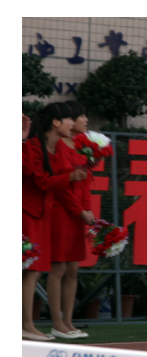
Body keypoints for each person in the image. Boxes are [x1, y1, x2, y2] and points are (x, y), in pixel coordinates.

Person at [23, 103, 88, 341]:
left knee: (35, 270)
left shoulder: (58, 147)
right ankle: (27, 325)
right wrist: (69, 178)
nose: (74, 122)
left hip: (42, 212)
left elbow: (61, 183)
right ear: (56, 122)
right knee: (31, 270)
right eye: (69, 118)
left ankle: (31, 325)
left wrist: (80, 210)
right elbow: (41, 180)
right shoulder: (32, 145)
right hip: (26, 211)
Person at [45, 100, 95, 339]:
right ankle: (56, 322)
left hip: (78, 214)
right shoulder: (58, 147)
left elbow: (84, 182)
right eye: (82, 116)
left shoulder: (82, 146)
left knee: (73, 269)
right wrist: (79, 211)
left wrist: (87, 210)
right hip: (61, 212)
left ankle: (68, 322)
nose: (86, 120)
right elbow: (62, 187)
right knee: (58, 268)